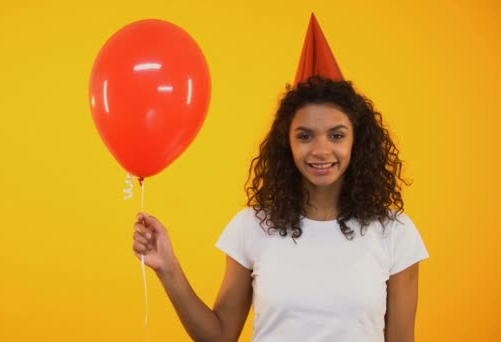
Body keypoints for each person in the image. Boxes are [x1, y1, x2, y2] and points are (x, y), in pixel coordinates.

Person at [132, 76, 429, 342]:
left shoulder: (395, 232)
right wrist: (168, 269)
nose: (321, 150)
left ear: (357, 142)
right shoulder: (252, 226)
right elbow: (219, 336)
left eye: (336, 135)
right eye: (305, 136)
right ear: (286, 143)